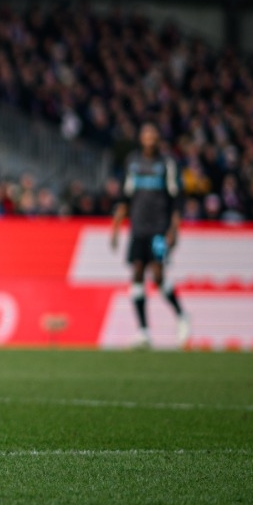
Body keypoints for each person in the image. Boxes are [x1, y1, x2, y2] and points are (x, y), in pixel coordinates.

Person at [110, 122, 189, 349]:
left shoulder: (167, 164)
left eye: (153, 135)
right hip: (138, 229)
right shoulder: (132, 163)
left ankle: (182, 315)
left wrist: (174, 229)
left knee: (157, 274)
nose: (149, 139)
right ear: (141, 138)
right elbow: (126, 197)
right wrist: (116, 227)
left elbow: (176, 199)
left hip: (160, 229)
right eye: (146, 135)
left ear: (158, 139)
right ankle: (144, 332)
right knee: (136, 273)